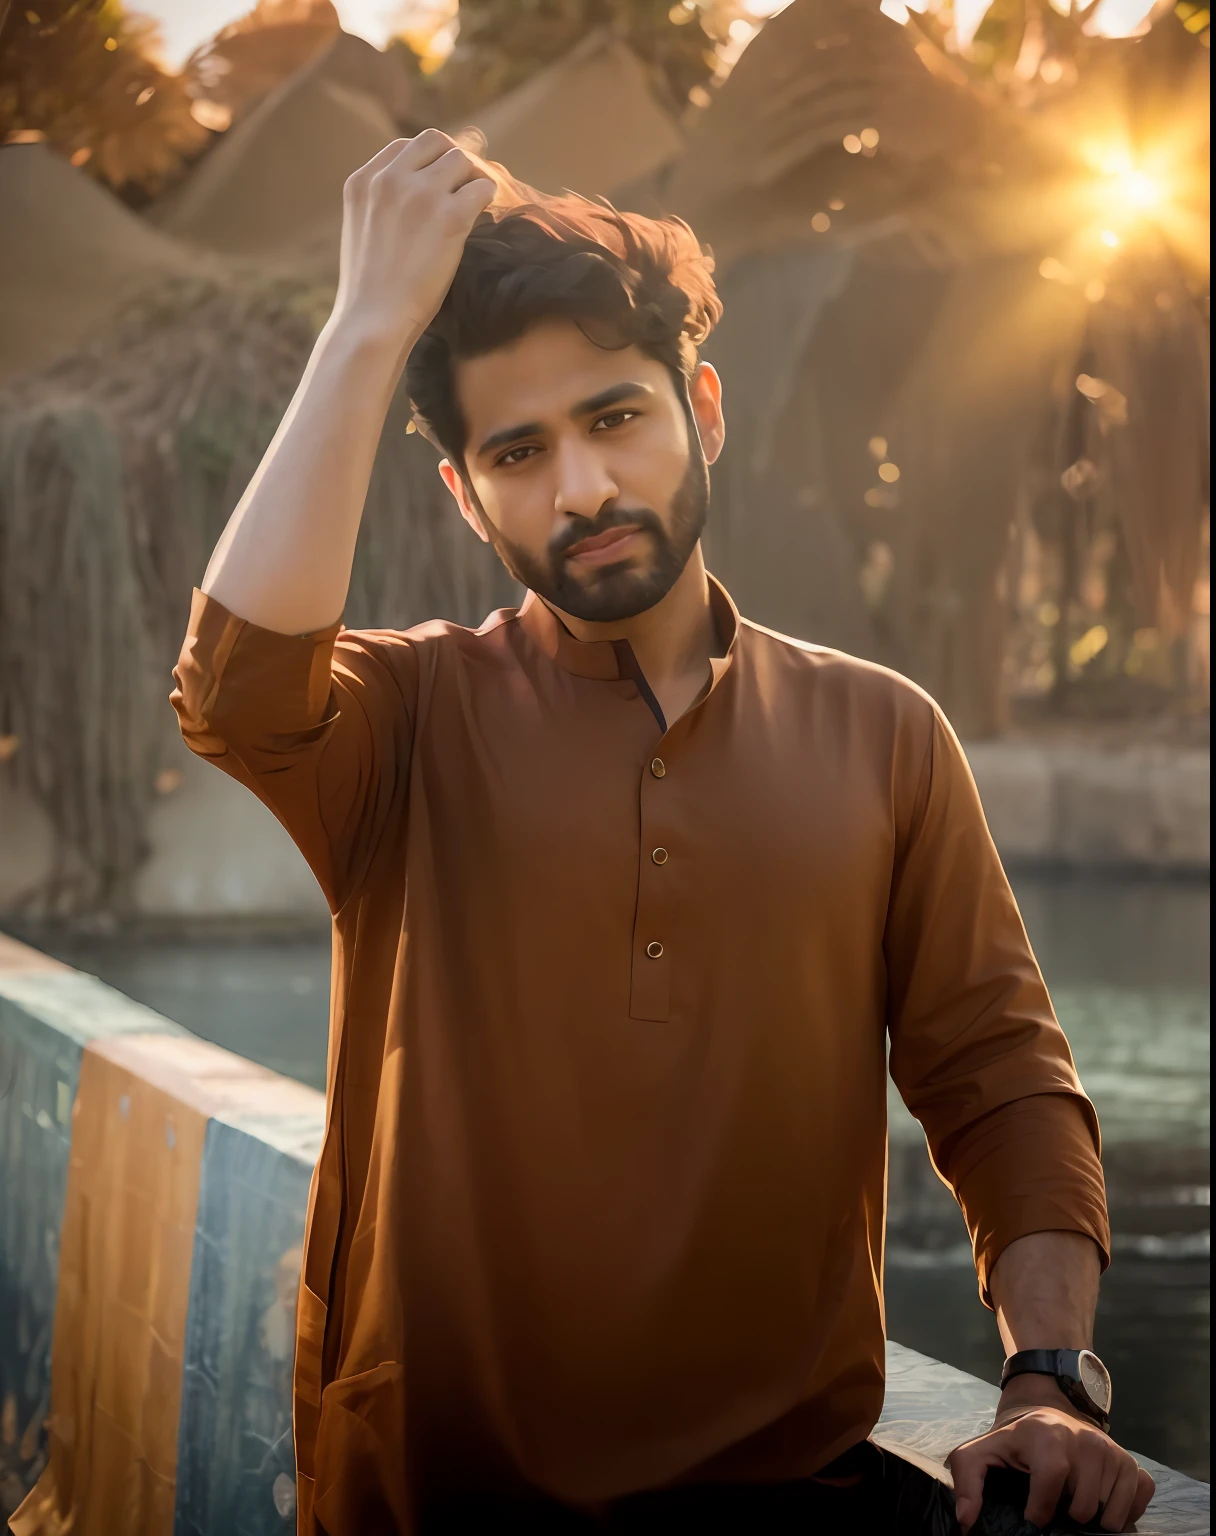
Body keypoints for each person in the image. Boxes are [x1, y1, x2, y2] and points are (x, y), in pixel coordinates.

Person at [171, 131, 1155, 1535]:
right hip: (435, 1499)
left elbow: (998, 1081)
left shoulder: (886, 735)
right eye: (519, 450)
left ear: (702, 405)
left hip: (793, 1497)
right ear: (465, 494)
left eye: (614, 418)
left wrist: (1050, 1379)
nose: (580, 489)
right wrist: (366, 324)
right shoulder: (405, 715)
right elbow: (236, 696)